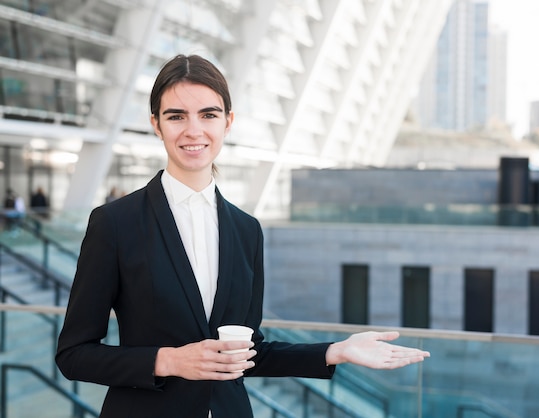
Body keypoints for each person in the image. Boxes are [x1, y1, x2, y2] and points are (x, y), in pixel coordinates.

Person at [55, 54, 430, 418]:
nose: (193, 130)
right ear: (156, 124)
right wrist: (168, 360)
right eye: (176, 116)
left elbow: (250, 352)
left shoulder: (246, 229)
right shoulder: (115, 222)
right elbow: (73, 354)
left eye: (208, 115)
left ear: (228, 121)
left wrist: (336, 351)